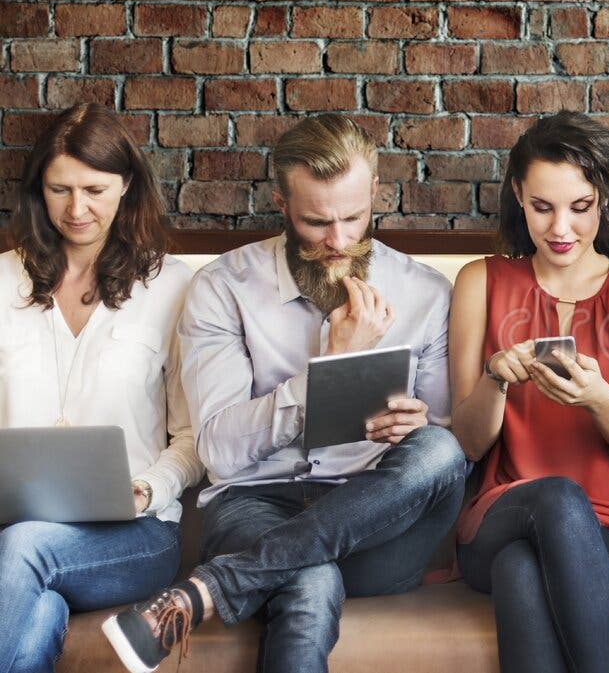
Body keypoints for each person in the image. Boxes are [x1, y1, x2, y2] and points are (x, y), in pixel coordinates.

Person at [102, 114, 468, 673]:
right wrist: (328, 369)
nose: (339, 240)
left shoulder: (427, 293)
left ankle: (209, 589)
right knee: (310, 574)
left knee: (441, 452)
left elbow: (441, 444)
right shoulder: (223, 288)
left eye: (354, 216)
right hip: (254, 508)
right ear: (281, 202)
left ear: (375, 191)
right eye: (316, 222)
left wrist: (418, 427)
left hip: (378, 525)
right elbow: (219, 451)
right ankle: (252, 572)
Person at [447, 111, 609, 673]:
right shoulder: (480, 281)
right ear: (518, 197)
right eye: (542, 208)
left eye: (579, 208)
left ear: (604, 201)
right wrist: (496, 378)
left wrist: (598, 398)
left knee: (521, 571)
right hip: (498, 515)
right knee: (552, 497)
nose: (560, 230)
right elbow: (470, 445)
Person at [0, 104, 203, 673]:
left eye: (94, 188)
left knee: (23, 550)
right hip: (15, 531)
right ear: (39, 190)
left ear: (127, 185)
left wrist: (146, 489)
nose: (76, 208)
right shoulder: (0, 282)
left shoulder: (173, 288)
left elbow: (192, 438)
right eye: (59, 189)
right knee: (35, 610)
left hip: (134, 536)